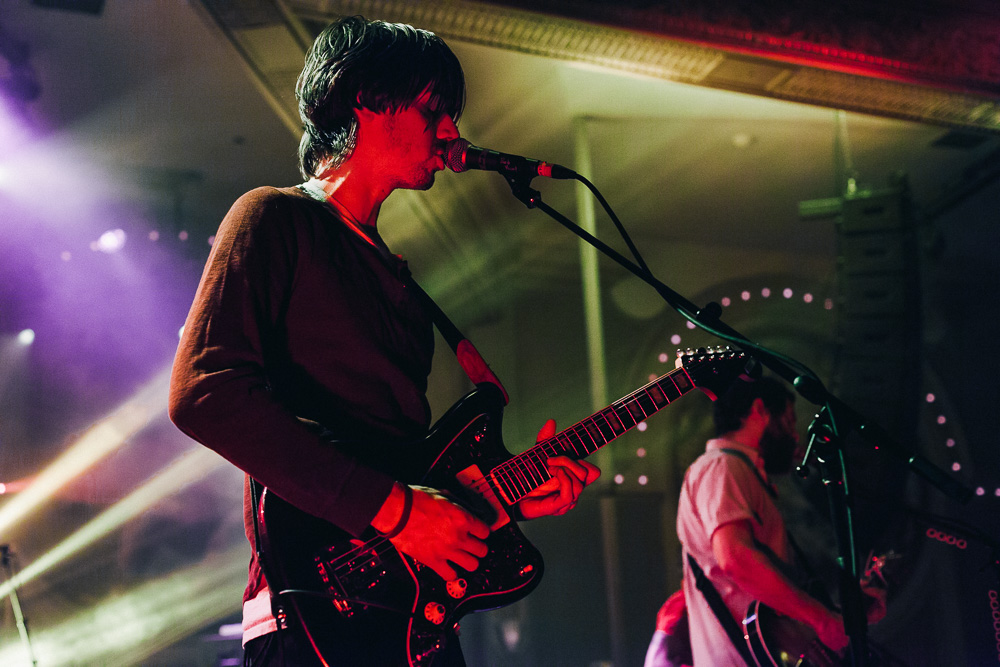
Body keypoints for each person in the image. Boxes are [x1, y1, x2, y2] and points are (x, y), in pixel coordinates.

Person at [167, 16, 599, 667]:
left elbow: (400, 458)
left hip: (412, 620)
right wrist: (395, 510)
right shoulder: (274, 217)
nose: (451, 132)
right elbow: (204, 393)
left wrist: (500, 496)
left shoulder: (398, 280)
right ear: (365, 98)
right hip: (312, 616)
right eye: (434, 109)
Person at [673, 376, 849, 666]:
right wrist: (822, 620)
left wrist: (846, 614)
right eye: (789, 422)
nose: (794, 436)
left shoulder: (736, 470)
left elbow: (773, 599)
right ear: (759, 410)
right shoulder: (723, 465)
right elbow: (736, 558)